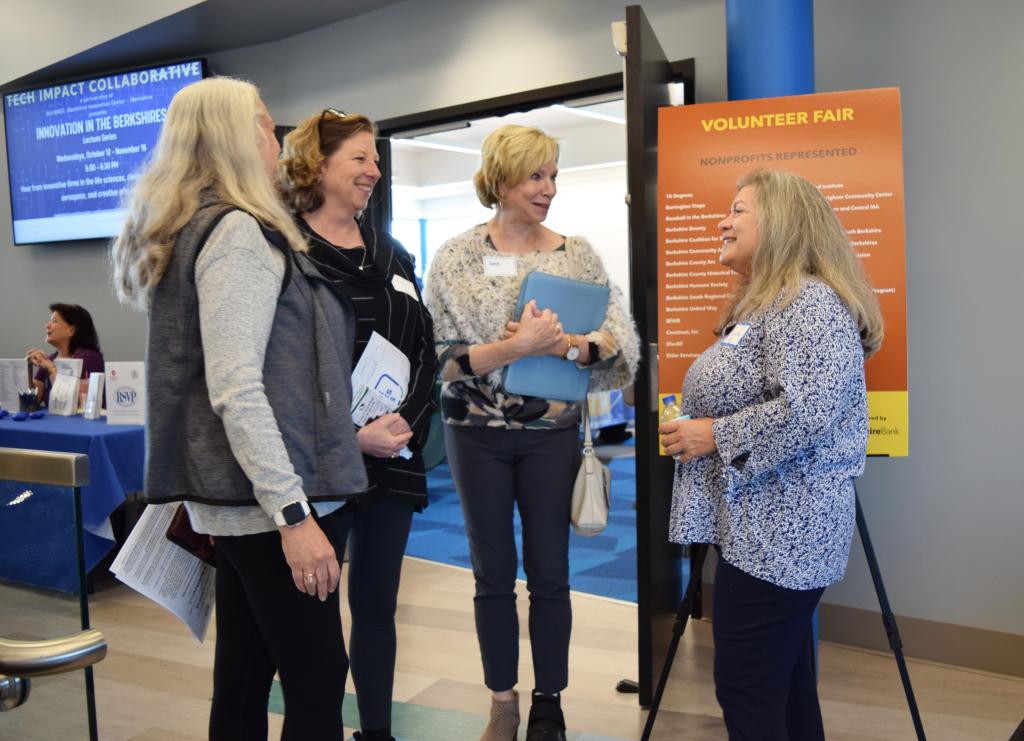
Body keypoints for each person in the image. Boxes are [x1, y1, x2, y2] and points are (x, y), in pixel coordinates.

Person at [110, 77, 368, 740]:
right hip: (270, 506)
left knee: (245, 681)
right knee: (314, 687)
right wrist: (293, 516)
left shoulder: (195, 228)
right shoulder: (236, 234)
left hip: (243, 504)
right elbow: (236, 388)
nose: (276, 137)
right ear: (230, 135)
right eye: (262, 123)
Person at [423, 124, 639, 741]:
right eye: (535, 176)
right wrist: (511, 347)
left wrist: (569, 346)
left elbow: (617, 340)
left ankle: (550, 701)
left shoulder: (577, 254)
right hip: (475, 433)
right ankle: (502, 700)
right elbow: (436, 356)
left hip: (553, 435)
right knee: (492, 571)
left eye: (552, 175)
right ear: (501, 180)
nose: (548, 189)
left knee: (550, 569)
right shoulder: (457, 256)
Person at [659, 169, 884, 741]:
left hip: (786, 531)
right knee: (782, 685)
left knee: (748, 684)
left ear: (781, 223)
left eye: (738, 210)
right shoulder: (769, 305)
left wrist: (714, 435)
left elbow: (809, 410)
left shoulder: (807, 301)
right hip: (763, 528)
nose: (722, 221)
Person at [277, 109, 437, 741]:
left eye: (376, 160)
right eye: (360, 159)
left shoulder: (392, 252)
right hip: (319, 466)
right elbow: (279, 377)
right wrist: (350, 438)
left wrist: (407, 421)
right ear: (318, 166)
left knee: (376, 609)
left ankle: (376, 733)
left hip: (392, 459)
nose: (375, 171)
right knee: (311, 619)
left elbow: (425, 348)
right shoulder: (287, 252)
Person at [26, 303, 104, 405]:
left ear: (71, 330)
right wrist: (27, 369)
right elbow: (33, 400)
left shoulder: (90, 358)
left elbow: (74, 399)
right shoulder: (50, 359)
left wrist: (51, 369)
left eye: (54, 321)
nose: (47, 325)